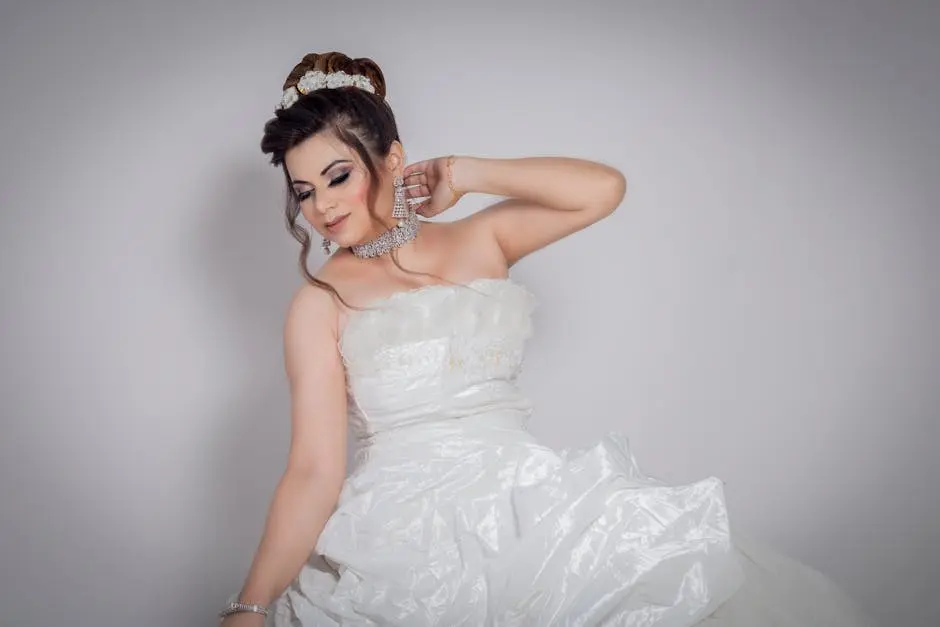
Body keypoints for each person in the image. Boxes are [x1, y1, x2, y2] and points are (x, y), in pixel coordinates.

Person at [218, 51, 877, 626]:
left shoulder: (481, 239)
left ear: (392, 159)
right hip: (401, 534)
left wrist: (466, 172)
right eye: (304, 191)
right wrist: (248, 606)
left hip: (528, 506)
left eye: (338, 176)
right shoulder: (319, 302)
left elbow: (601, 189)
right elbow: (312, 470)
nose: (322, 206)